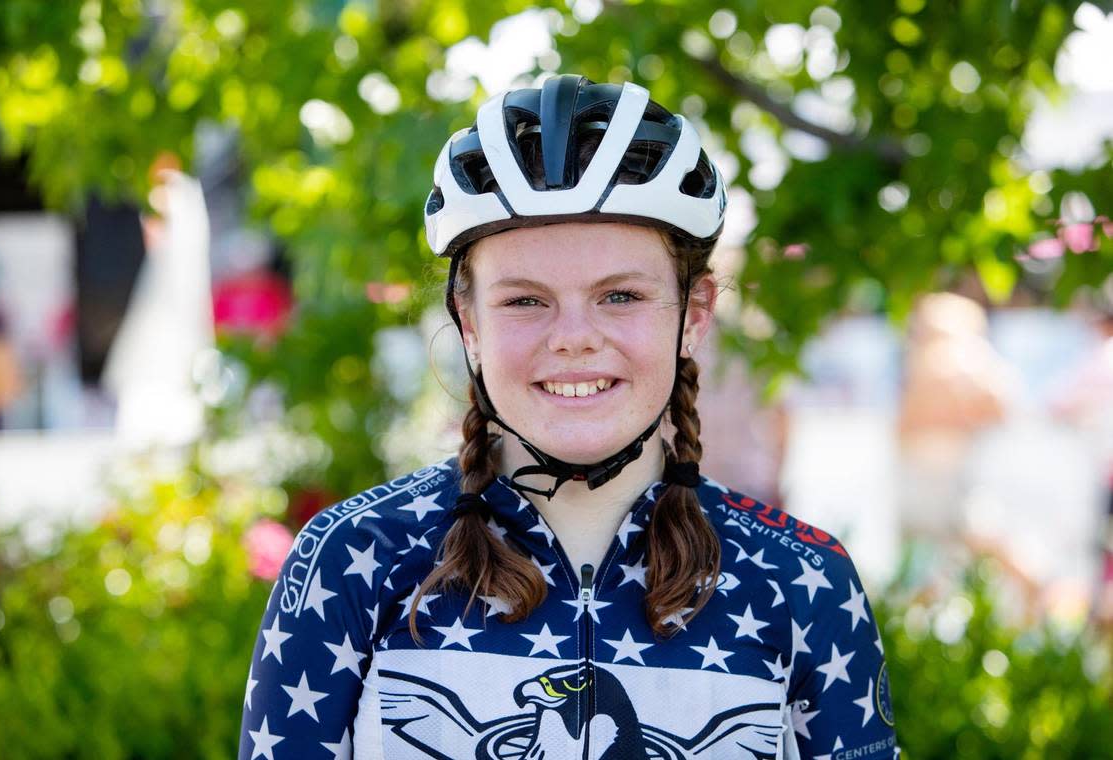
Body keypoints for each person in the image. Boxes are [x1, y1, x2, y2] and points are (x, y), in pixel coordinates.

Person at [239, 75, 898, 760]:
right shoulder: (351, 561)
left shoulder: (801, 581)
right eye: (525, 301)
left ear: (694, 315)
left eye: (619, 296)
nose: (573, 337)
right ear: (468, 322)